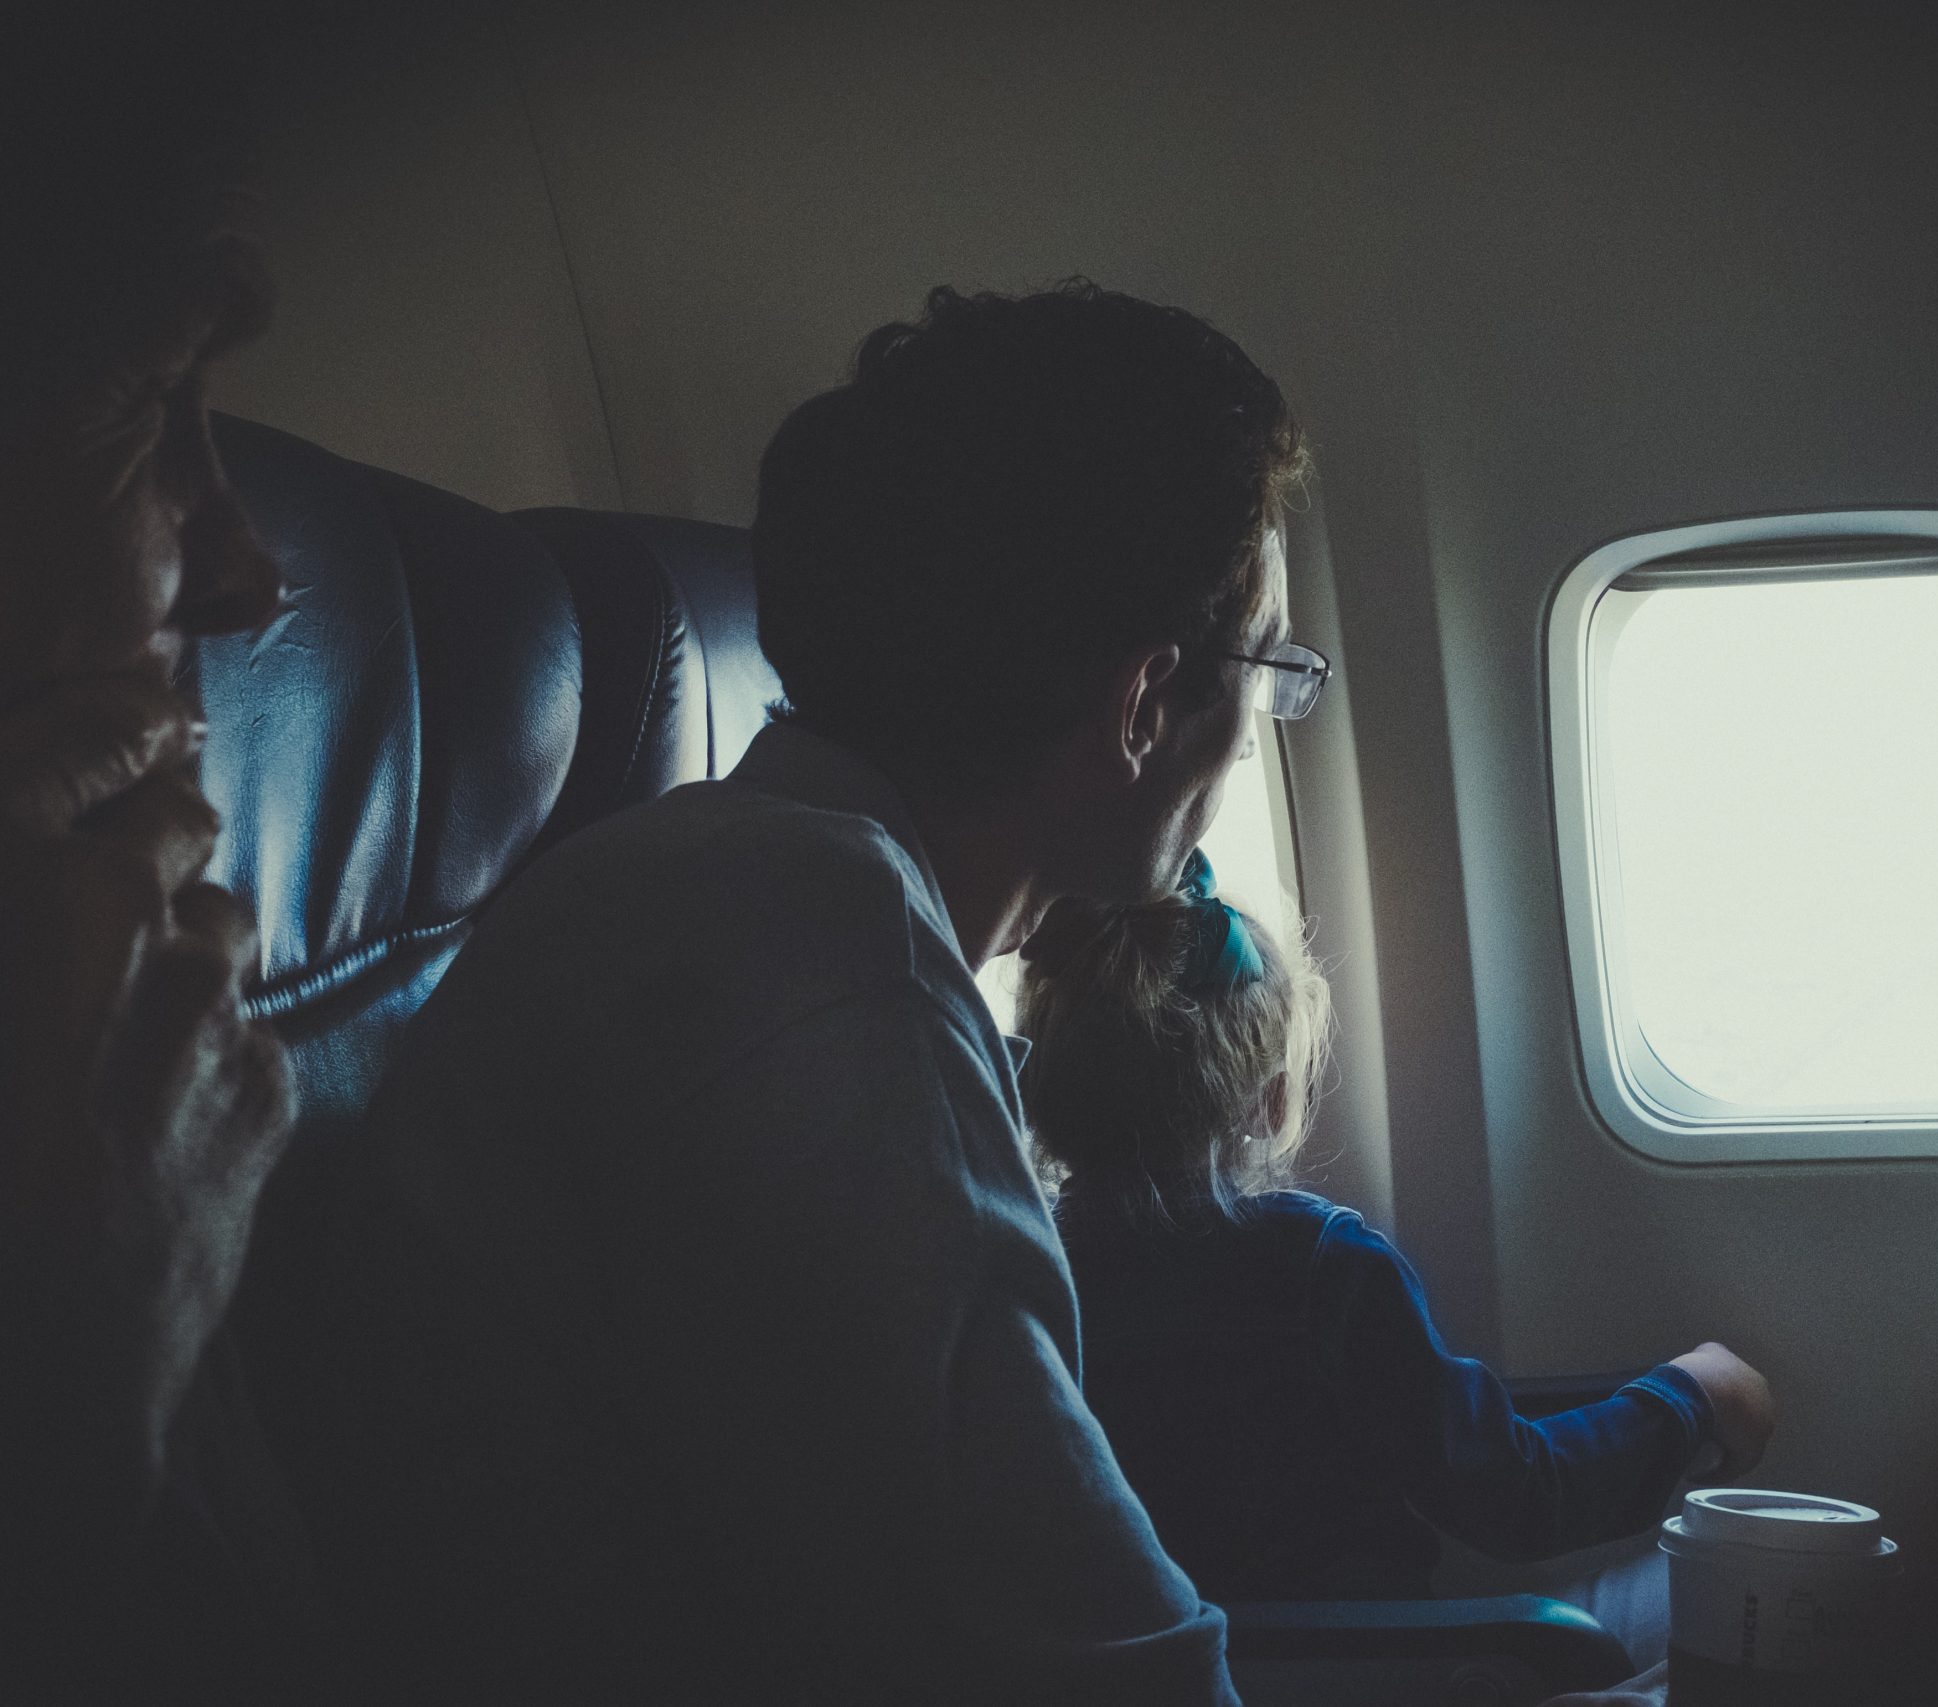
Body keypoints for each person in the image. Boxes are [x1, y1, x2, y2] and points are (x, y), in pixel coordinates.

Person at [276, 281, 1309, 1703]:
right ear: (1142, 705)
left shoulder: (745, 886)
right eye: (1269, 668)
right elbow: (1098, 1670)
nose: (1257, 737)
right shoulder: (832, 979)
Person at [1015, 857, 1776, 1610]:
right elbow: (1516, 1497)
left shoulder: (1022, 1266)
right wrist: (1690, 1395)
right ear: (1273, 1100)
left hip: (1157, 1675)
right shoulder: (1323, 1269)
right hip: (1372, 1674)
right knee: (1716, 1591)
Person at [2, 3, 309, 1695]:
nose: (254, 578)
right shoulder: (72, 1225)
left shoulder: (79, 1029)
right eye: (145, 403)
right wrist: (62, 1404)